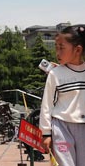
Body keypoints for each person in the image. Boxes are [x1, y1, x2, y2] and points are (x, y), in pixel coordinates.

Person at [40, 25, 85, 166]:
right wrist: (46, 133)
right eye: (56, 47)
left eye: (61, 48)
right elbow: (47, 104)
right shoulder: (55, 74)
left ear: (77, 50)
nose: (57, 53)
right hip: (61, 127)